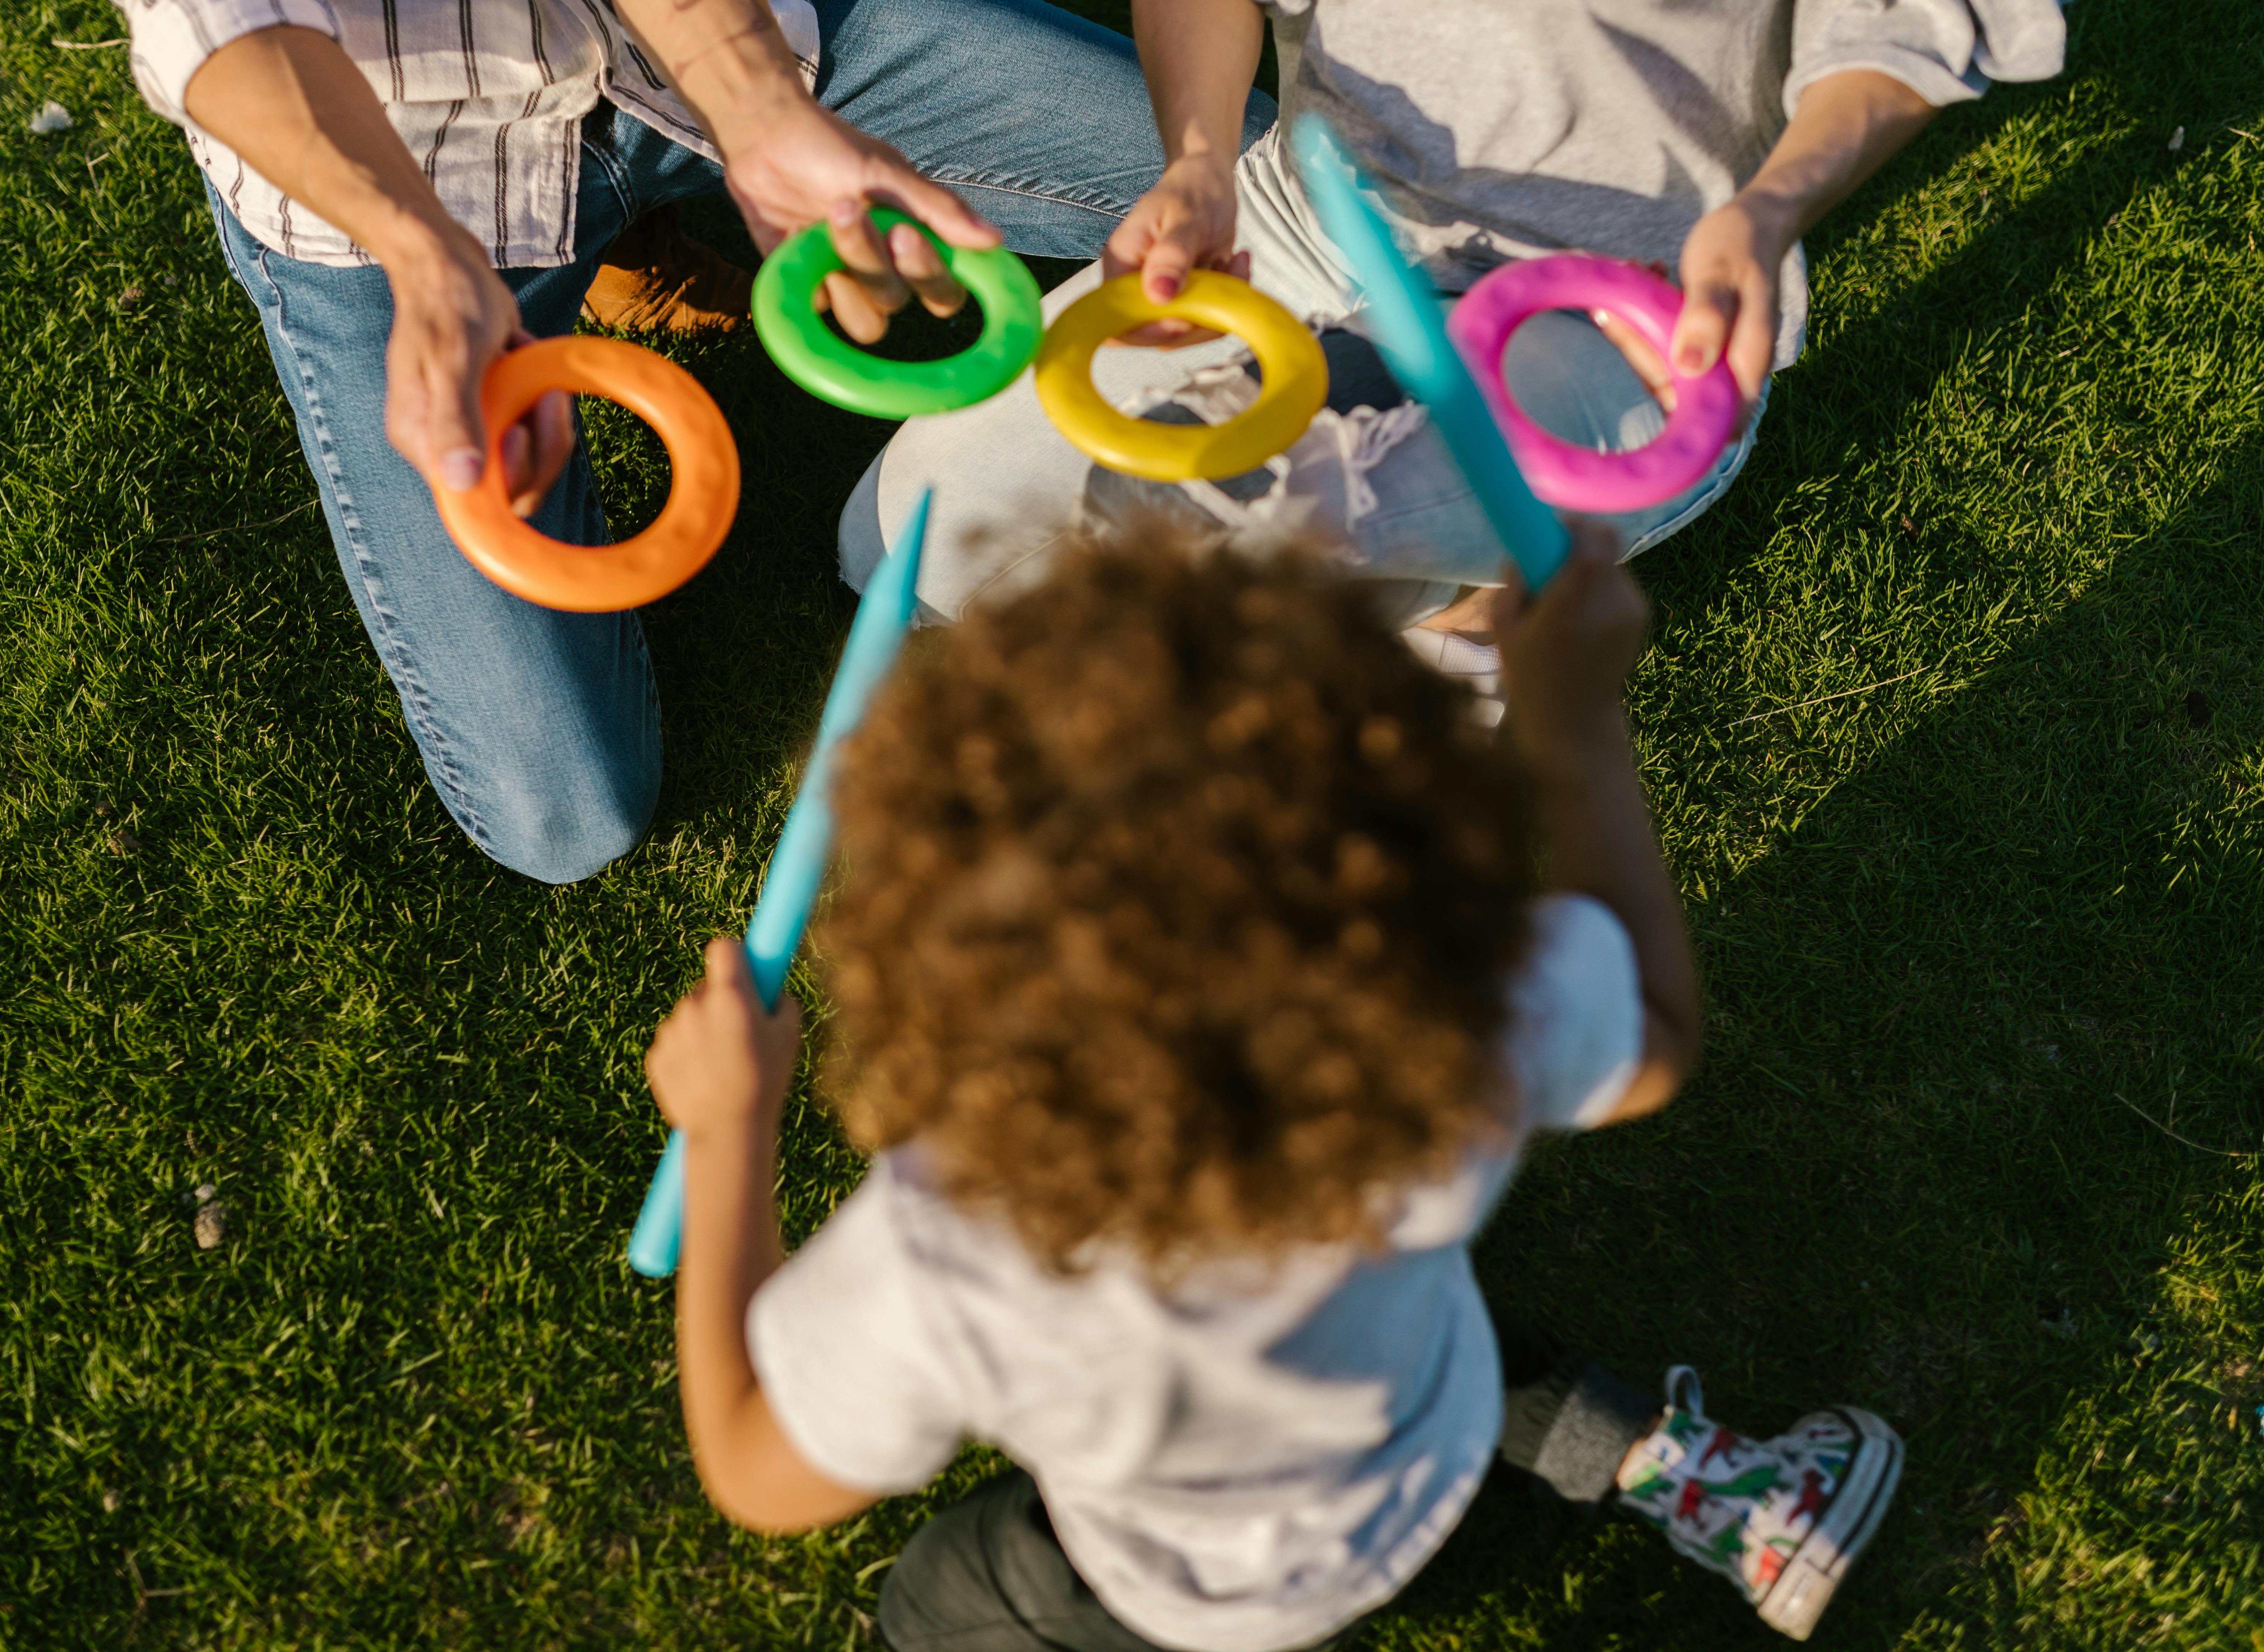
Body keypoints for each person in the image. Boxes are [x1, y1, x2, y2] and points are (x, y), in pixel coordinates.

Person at [643, 523, 1903, 1648]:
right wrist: (1574, 732)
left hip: (1194, 1595)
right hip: (1412, 1431)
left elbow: (754, 1466)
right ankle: (1720, 1487)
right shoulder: (1454, 1027)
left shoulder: (964, 1259)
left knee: (938, 1604)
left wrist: (728, 1132)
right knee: (1384, 1318)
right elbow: (1657, 1033)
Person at [82, 0, 1272, 883]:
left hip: (685, 56)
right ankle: (572, 250)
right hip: (396, 187)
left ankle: (648, 211)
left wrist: (758, 118)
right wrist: (424, 260)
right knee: (567, 815)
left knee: (1271, 194)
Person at [840, 0, 2079, 693]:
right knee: (908, 554)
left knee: (1217, 579)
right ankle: (1425, 568)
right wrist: (1200, 161)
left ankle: (1465, 605)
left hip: (1615, 312)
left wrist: (1770, 208)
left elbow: (1906, 0)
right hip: (1303, 225)